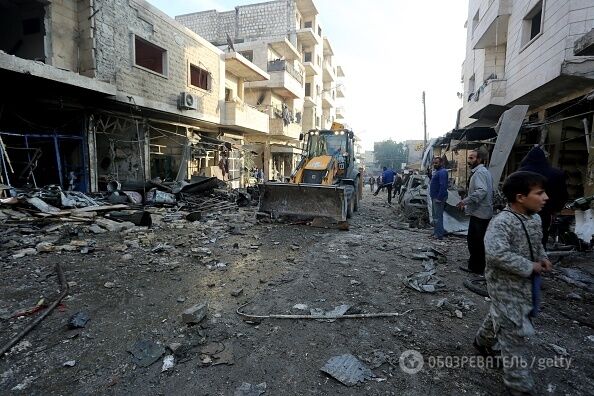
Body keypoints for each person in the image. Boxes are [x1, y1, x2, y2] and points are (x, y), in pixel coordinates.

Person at [474, 171, 552, 396]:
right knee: (514, 331)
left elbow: (536, 244)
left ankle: (483, 341)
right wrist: (530, 266)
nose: (545, 197)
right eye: (539, 193)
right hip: (503, 284)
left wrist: (543, 258)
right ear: (520, 197)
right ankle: (519, 385)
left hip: (524, 285)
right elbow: (496, 254)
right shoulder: (502, 222)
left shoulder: (534, 219)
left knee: (500, 313)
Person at [517, 146, 568, 248]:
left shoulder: (520, 173)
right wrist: (556, 209)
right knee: (542, 236)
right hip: (546, 211)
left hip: (524, 211)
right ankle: (540, 258)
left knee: (522, 236)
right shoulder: (556, 174)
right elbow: (562, 194)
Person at [457, 149, 494, 275]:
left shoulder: (479, 173)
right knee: (476, 241)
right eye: (469, 157)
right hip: (481, 212)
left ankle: (476, 268)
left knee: (475, 242)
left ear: (479, 159)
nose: (469, 160)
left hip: (480, 213)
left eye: (472, 158)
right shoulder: (483, 172)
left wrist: (464, 201)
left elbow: (481, 191)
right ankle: (476, 266)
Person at [429, 157, 448, 239]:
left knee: (438, 216)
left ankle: (439, 234)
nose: (434, 164)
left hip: (438, 198)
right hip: (434, 197)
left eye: (436, 163)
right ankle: (436, 231)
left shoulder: (442, 172)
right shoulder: (437, 172)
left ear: (441, 163)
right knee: (435, 216)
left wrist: (439, 198)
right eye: (434, 163)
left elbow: (443, 185)